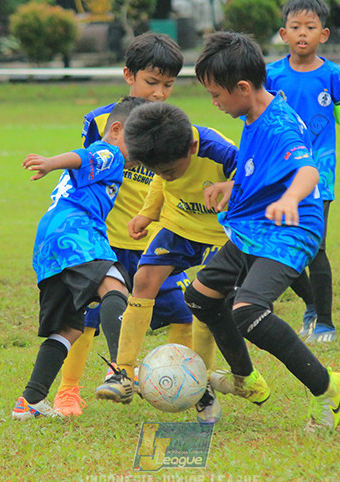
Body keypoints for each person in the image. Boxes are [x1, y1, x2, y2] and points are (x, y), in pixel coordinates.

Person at [183, 31, 340, 432]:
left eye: (216, 95)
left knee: (247, 311)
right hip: (254, 225)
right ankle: (246, 379)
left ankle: (330, 388)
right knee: (201, 298)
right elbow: (257, 168)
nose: (214, 103)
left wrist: (291, 199)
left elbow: (307, 169)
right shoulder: (253, 114)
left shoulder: (277, 124)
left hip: (291, 228)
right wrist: (231, 187)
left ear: (242, 88)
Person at [52, 33, 194, 416]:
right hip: (106, 242)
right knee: (87, 317)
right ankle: (68, 391)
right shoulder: (101, 121)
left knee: (182, 310)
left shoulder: (173, 125)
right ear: (129, 75)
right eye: (152, 82)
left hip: (154, 242)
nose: (160, 93)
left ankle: (186, 383)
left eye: (168, 85)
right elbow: (83, 170)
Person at [95, 101, 236, 424]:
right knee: (144, 281)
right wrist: (148, 212)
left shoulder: (220, 150)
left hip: (220, 232)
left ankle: (201, 387)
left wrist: (233, 189)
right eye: (157, 170)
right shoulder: (161, 155)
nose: (164, 175)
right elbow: (159, 181)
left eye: (171, 170)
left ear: (190, 148)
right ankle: (123, 372)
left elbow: (251, 178)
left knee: (206, 298)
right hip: (178, 224)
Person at [12, 96, 147, 420]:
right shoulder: (111, 151)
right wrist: (50, 162)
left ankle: (30, 401)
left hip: (49, 243)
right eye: (139, 144)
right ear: (116, 129)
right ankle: (121, 370)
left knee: (68, 329)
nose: (142, 156)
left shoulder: (114, 156)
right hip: (76, 232)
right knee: (115, 287)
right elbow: (84, 155)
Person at [266, 0, 340, 343]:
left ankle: (324, 321)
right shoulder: (271, 76)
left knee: (315, 247)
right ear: (283, 33)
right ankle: (309, 303)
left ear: (324, 34)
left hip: (320, 174)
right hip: (280, 173)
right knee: (280, 244)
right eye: (295, 27)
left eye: (310, 27)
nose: (302, 33)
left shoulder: (334, 76)